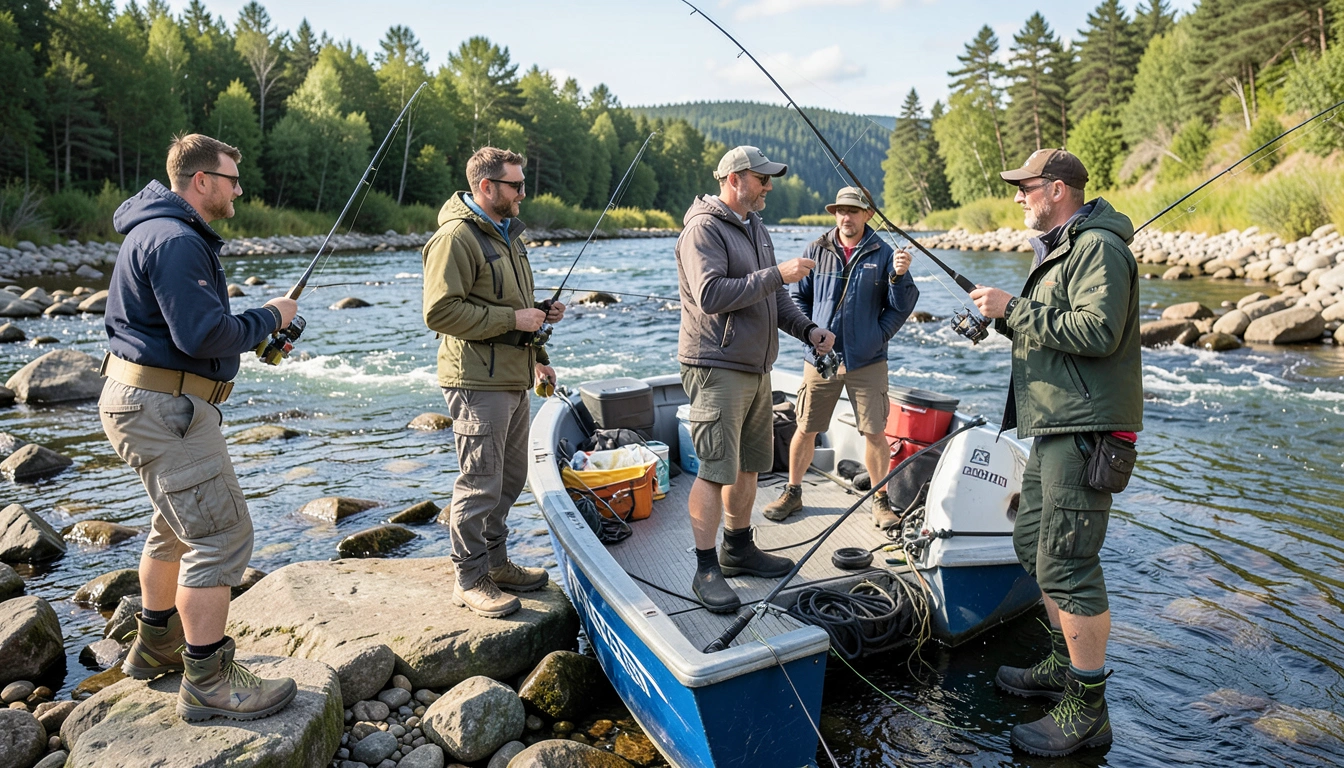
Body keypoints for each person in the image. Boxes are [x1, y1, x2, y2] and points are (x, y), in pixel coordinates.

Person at [100, 133, 299, 722]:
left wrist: (255, 326)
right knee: (220, 535)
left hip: (145, 402)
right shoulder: (176, 240)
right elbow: (203, 337)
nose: (240, 188)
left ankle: (155, 644)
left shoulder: (158, 231)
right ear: (201, 181)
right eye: (232, 178)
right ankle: (208, 680)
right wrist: (269, 318)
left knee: (177, 525)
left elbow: (189, 329)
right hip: (167, 410)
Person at [969, 148, 1143, 757]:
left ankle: (1088, 709)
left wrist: (1013, 309)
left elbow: (1098, 331)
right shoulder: (1067, 247)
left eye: (1027, 187)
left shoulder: (1098, 248)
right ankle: (1060, 665)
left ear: (1059, 190)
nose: (1019, 196)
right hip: (1057, 424)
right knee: (1033, 544)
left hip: (1086, 428)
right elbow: (1060, 326)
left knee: (1068, 563)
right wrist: (1010, 320)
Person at [675, 145, 836, 613]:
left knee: (748, 464)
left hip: (754, 367)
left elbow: (774, 297)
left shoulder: (755, 226)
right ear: (735, 179)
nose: (768, 186)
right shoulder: (702, 228)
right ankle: (707, 569)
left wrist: (807, 329)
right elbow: (711, 295)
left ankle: (738, 548)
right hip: (716, 366)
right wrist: (775, 274)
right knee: (714, 468)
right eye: (762, 178)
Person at [422, 147, 565, 619]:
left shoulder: (508, 235)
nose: (524, 193)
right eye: (516, 186)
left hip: (514, 376)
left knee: (510, 477)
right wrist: (515, 316)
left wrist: (539, 343)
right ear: (487, 188)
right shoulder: (455, 238)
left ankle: (497, 563)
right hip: (475, 381)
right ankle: (470, 577)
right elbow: (439, 312)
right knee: (480, 483)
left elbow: (515, 308)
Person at [765, 186, 919, 528]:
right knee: (805, 428)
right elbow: (795, 301)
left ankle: (880, 499)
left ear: (867, 215)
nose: (846, 217)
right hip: (820, 359)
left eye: (853, 211)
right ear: (835, 214)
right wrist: (810, 334)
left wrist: (898, 280)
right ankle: (793, 491)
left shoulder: (885, 254)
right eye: (840, 211)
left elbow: (903, 306)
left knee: (875, 432)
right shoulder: (815, 250)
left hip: (869, 360)